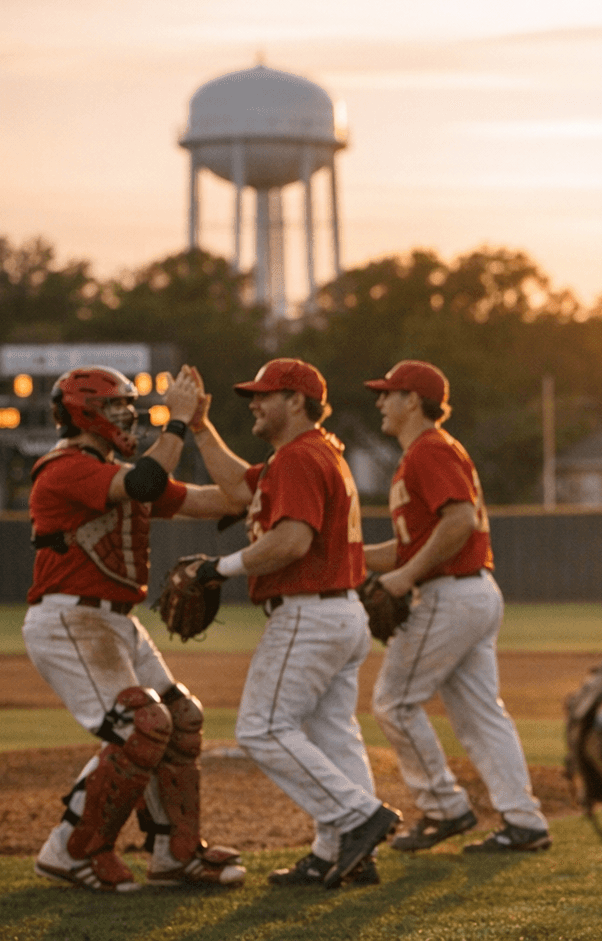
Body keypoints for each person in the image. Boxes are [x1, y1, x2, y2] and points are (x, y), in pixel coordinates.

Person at [25, 364, 247, 893]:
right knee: (140, 726)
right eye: (115, 406)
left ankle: (176, 854)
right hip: (70, 618)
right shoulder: (65, 467)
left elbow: (221, 499)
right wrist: (177, 422)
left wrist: (207, 434)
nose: (128, 415)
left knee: (181, 718)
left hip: (113, 621)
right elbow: (145, 481)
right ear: (83, 414)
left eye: (129, 405)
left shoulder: (116, 470)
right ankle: (72, 850)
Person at [186, 357, 400, 889]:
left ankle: (358, 818)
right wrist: (199, 426)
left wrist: (217, 569)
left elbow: (291, 541)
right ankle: (339, 854)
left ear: (297, 401)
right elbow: (238, 488)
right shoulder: (312, 452)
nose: (255, 403)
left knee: (261, 729)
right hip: (338, 611)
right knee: (333, 734)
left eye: (265, 395)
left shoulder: (299, 457)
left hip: (309, 612)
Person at [363, 359, 550, 854]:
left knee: (394, 702)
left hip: (449, 594)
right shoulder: (429, 452)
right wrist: (351, 555)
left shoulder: (428, 450)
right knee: (481, 716)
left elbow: (460, 520)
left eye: (388, 393)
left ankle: (444, 807)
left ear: (412, 401)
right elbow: (412, 546)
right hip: (470, 591)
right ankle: (524, 822)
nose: (380, 401)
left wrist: (406, 576)